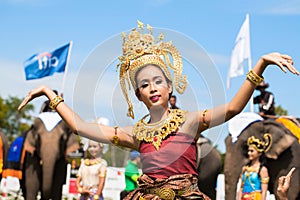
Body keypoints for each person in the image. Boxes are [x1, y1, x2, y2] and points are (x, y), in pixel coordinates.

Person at [18, 21, 299, 199]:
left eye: (158, 82)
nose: (152, 88)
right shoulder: (134, 134)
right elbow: (80, 127)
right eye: (144, 85)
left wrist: (260, 65)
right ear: (139, 95)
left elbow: (234, 108)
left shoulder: (190, 122)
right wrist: (51, 95)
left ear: (168, 88)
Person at [238, 134, 272, 200]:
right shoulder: (245, 168)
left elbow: (264, 191)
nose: (249, 153)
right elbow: (241, 188)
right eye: (248, 151)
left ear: (259, 153)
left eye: (252, 151)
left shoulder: (262, 169)